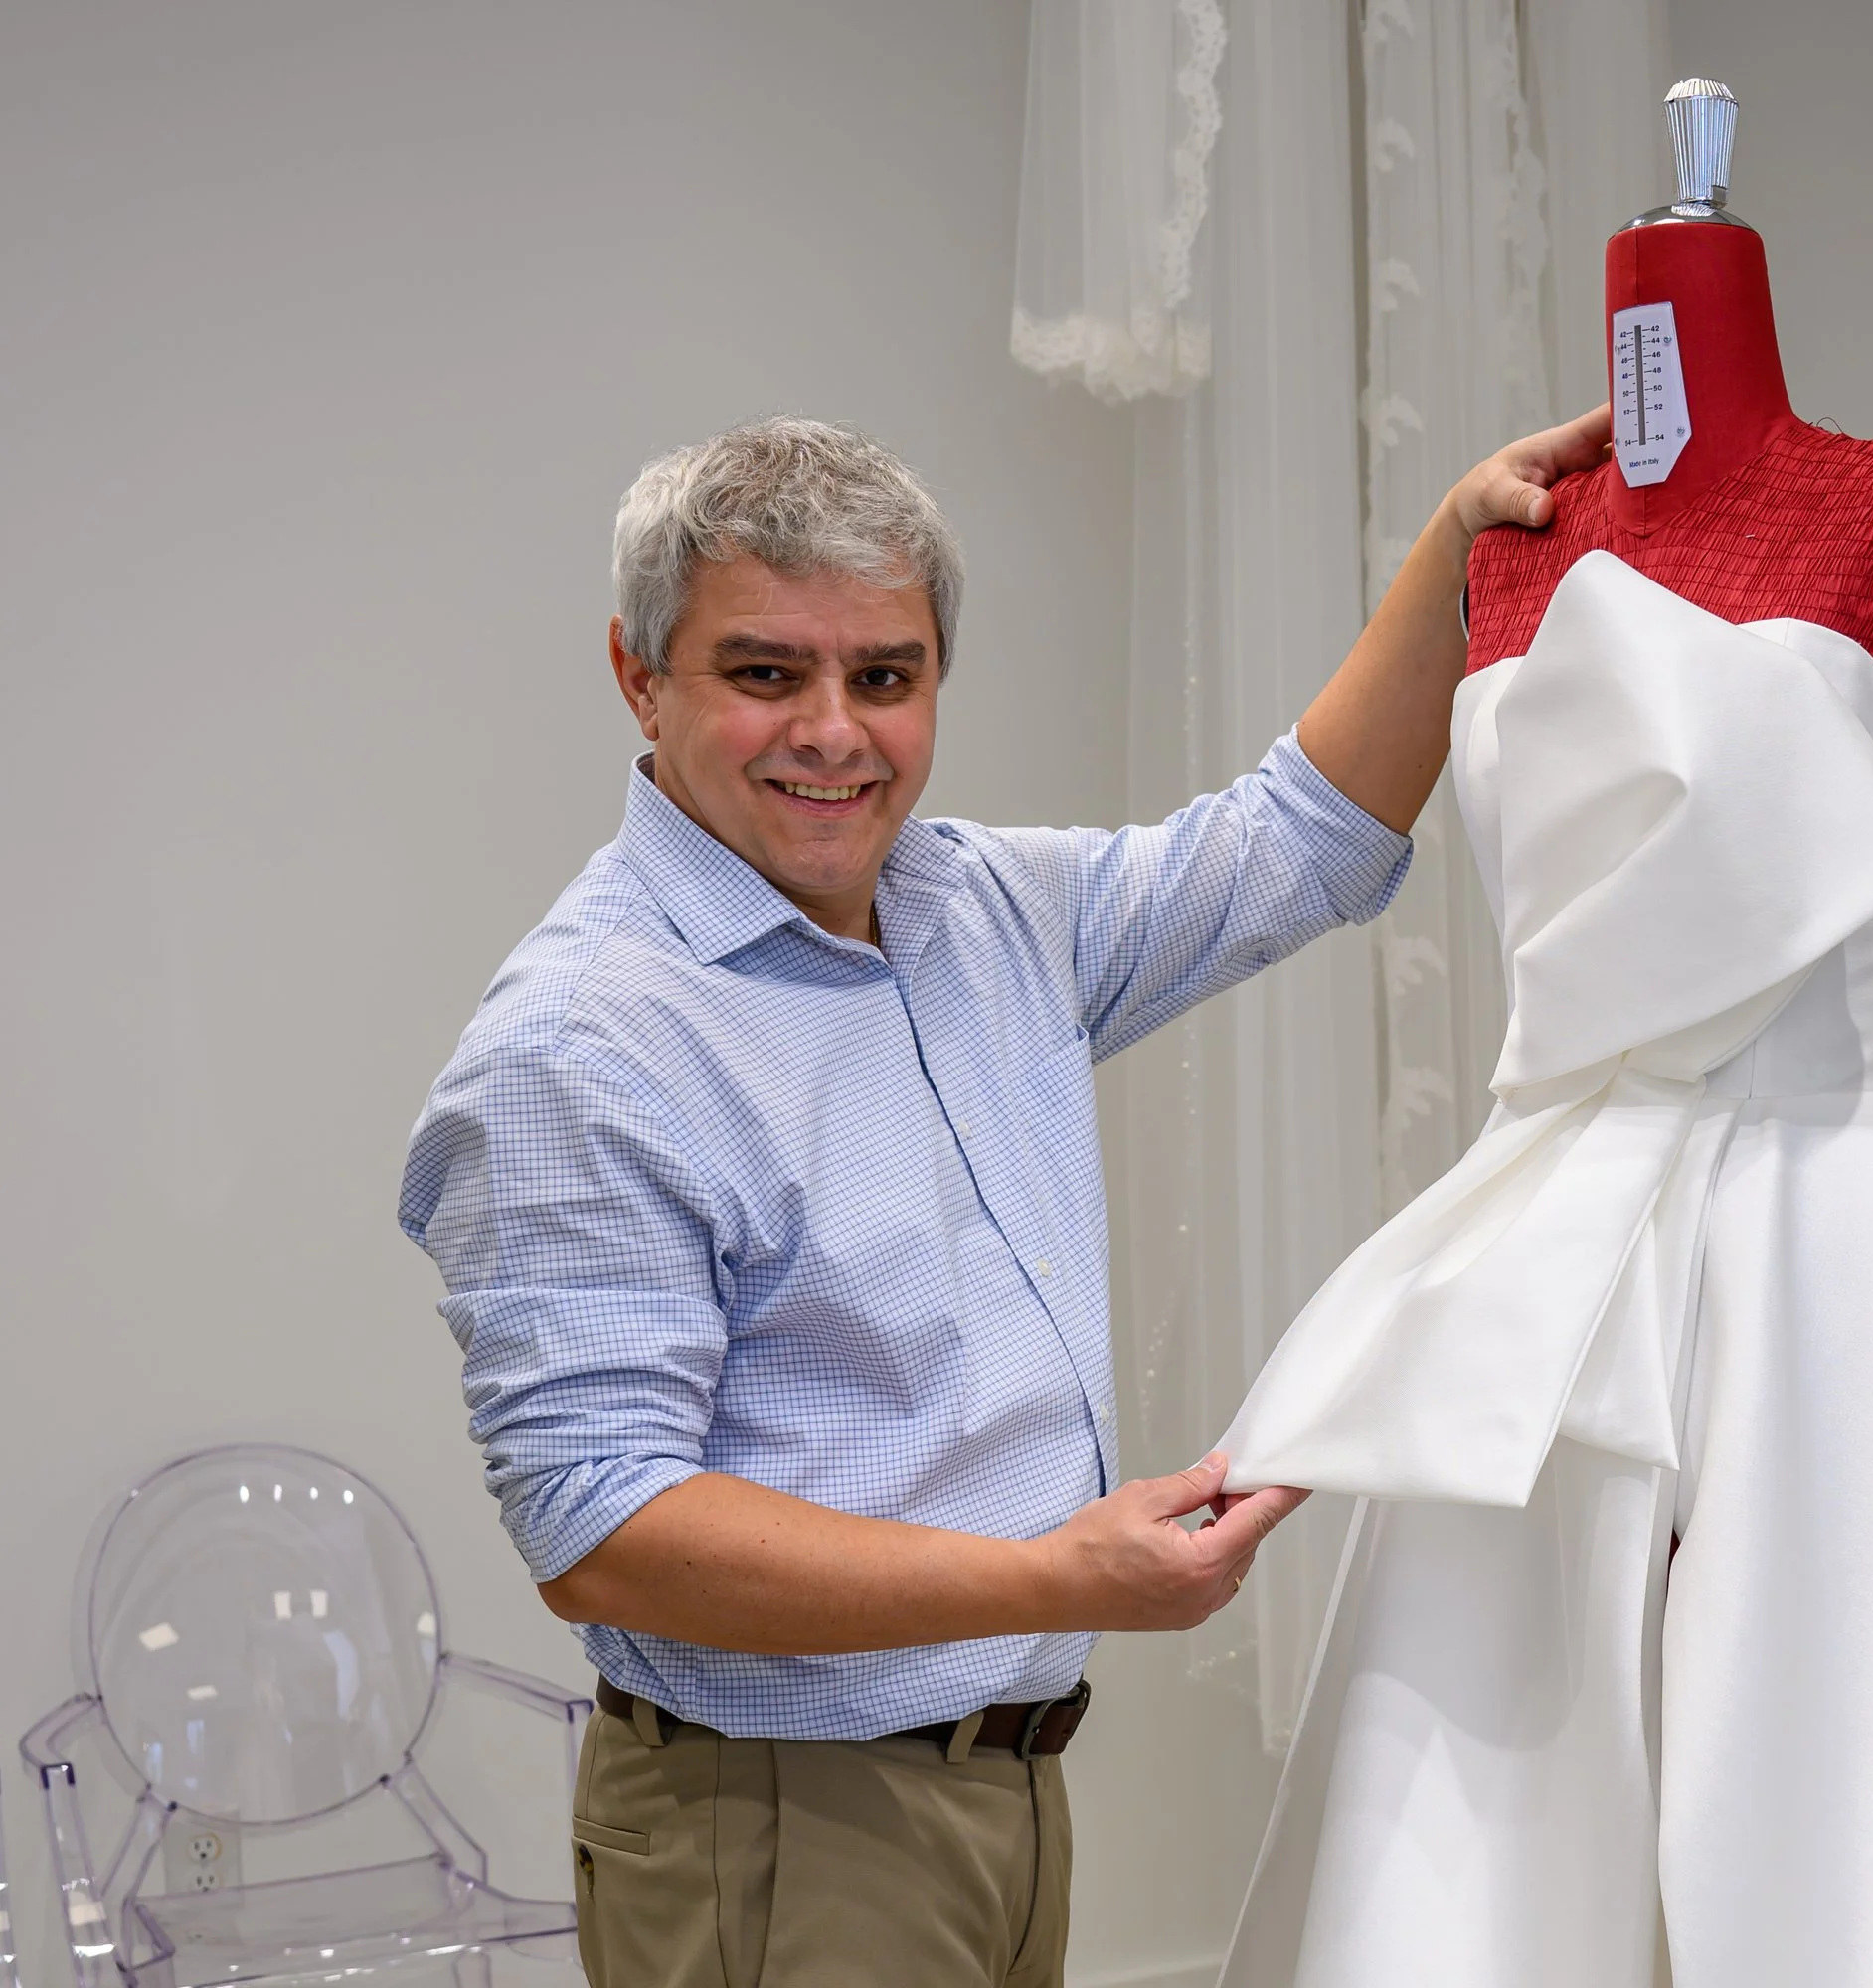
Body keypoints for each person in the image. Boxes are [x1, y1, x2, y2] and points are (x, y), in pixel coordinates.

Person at [399, 410, 1607, 1988]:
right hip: (781, 1827)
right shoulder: (583, 1047)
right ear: (640, 677)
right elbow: (605, 1526)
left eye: (884, 678)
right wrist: (1054, 1576)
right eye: (766, 672)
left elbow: (1291, 846)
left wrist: (1460, 553)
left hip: (1006, 1795)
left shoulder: (980, 912)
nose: (834, 731)